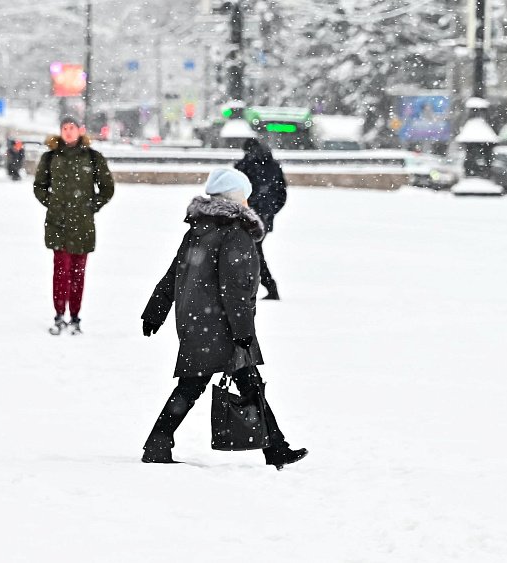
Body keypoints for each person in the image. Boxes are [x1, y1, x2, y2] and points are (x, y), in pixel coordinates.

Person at [140, 168, 307, 469]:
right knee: (197, 386)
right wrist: (243, 331)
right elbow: (236, 289)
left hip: (199, 322)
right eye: (244, 195)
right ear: (235, 197)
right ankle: (157, 444)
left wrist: (156, 310)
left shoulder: (198, 229)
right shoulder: (235, 232)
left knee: (244, 383)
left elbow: (174, 273)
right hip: (223, 326)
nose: (247, 201)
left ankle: (276, 448)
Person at [33, 116, 115, 335]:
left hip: (83, 225)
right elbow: (39, 186)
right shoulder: (51, 157)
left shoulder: (93, 157)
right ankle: (59, 315)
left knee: (78, 274)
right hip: (58, 224)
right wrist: (53, 203)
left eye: (72, 128)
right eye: (65, 128)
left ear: (80, 131)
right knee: (61, 272)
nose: (68, 132)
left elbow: (107, 188)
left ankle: (75, 317)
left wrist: (91, 206)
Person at [234, 138, 287, 300]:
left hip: (248, 216)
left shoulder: (244, 166)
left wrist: (245, 211)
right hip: (264, 217)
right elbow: (281, 194)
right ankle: (260, 287)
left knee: (251, 253)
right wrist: (269, 212)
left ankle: (263, 287)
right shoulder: (273, 166)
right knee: (253, 252)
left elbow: (236, 193)